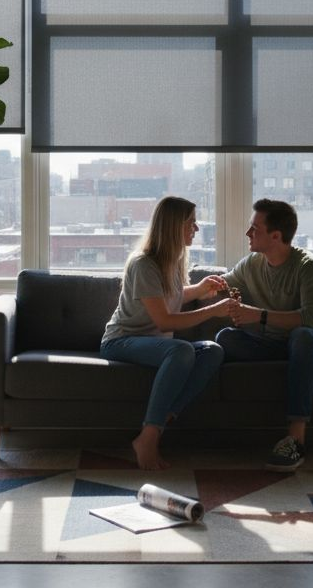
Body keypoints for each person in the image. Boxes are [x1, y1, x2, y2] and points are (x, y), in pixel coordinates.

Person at [101, 196, 235, 470]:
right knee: (181, 349)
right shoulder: (144, 264)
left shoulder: (173, 261)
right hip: (121, 341)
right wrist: (213, 310)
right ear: (174, 226)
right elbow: (163, 320)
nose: (196, 229)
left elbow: (168, 297)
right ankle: (148, 438)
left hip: (153, 343)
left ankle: (158, 424)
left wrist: (197, 290)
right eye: (191, 223)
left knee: (212, 350)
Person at [213, 199, 313, 472]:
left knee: (302, 337)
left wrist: (257, 315)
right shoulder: (251, 265)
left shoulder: (308, 266)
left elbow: (312, 320)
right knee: (225, 338)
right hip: (275, 344)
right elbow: (222, 285)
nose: (248, 234)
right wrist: (184, 290)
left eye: (254, 228)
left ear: (276, 236)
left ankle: (296, 439)